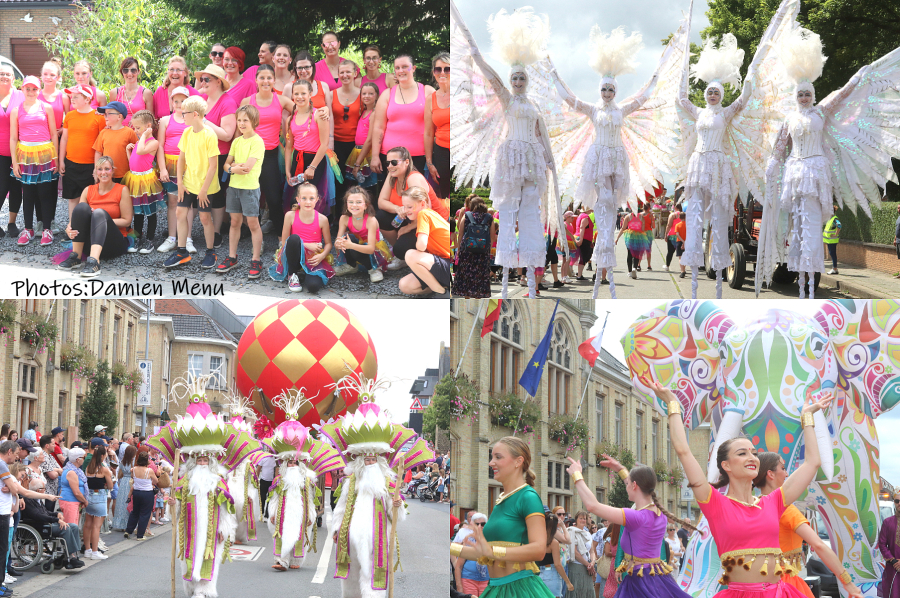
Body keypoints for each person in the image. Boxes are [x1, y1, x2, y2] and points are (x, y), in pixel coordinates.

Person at [657, 378, 830, 598]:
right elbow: (683, 450)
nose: (752, 457)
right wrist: (673, 405)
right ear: (726, 465)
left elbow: (812, 462)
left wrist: (807, 418)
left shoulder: (774, 501)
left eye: (754, 453)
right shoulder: (715, 503)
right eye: (742, 453)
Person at [451, 6, 563, 299]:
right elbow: (486, 70)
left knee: (529, 217)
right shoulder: (507, 100)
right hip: (512, 159)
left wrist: (550, 161)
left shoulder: (534, 106)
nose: (516, 83)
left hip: (533, 162)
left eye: (520, 79)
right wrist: (471, 44)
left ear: (527, 79)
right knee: (509, 213)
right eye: (513, 78)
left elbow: (543, 137)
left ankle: (530, 285)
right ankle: (502, 286)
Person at [565, 452, 697, 598]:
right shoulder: (659, 512)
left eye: (628, 483)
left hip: (639, 581)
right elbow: (638, 484)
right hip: (657, 577)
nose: (626, 485)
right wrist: (621, 469)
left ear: (634, 485)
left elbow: (592, 506)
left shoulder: (636, 516)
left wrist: (577, 476)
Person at [323, 400, 414, 598]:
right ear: (361, 461)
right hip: (351, 536)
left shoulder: (388, 483)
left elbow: (394, 510)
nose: (370, 463)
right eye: (367, 460)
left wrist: (397, 504)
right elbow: (340, 507)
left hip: (378, 537)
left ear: (379, 460)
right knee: (353, 575)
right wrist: (337, 528)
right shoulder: (351, 482)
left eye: (373, 460)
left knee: (373, 574)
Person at [450, 437, 554, 598]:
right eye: (492, 457)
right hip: (496, 588)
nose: (491, 463)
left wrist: (492, 552)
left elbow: (539, 550)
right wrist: (449, 547)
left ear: (518, 461)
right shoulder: (501, 499)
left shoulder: (528, 497)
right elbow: (483, 554)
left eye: (498, 457)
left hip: (519, 589)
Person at [753, 452, 863, 598]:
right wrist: (847, 582)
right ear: (770, 474)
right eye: (783, 468)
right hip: (784, 585)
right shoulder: (785, 510)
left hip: (756, 584)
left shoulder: (752, 506)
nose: (786, 474)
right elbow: (818, 545)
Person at [163, 95, 221, 269]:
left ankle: (211, 253)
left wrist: (203, 190)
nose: (181, 115)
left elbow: (213, 167)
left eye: (184, 113)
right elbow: (181, 158)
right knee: (180, 214)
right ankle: (182, 253)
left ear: (195, 114)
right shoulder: (187, 132)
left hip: (206, 186)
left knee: (204, 217)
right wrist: (180, 182)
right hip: (188, 183)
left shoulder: (210, 135)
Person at [57, 156, 132, 277]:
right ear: (95, 172)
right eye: (100, 169)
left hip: (114, 243)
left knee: (98, 213)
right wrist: (69, 227)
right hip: (89, 242)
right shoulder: (88, 190)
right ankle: (76, 256)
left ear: (112, 171)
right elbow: (79, 216)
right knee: (81, 208)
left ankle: (94, 262)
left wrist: (102, 220)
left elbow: (127, 221)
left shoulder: (122, 190)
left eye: (107, 169)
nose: (103, 172)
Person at [241, 65, 293, 232]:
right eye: (261, 78)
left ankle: (280, 237)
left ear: (274, 80)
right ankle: (255, 237)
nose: (265, 81)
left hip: (270, 155)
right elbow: (238, 130)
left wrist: (323, 111)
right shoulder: (247, 102)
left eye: (269, 78)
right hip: (249, 155)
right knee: (251, 199)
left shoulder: (281, 100)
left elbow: (305, 111)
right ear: (256, 80)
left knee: (273, 198)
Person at [370, 55, 435, 183]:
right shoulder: (387, 94)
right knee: (390, 195)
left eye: (405, 67)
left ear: (414, 68)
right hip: (390, 158)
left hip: (419, 157)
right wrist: (375, 156)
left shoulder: (427, 92)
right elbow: (378, 128)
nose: (401, 71)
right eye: (397, 68)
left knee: (415, 196)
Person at [217, 104, 264, 278]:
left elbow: (247, 168)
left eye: (246, 120)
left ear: (254, 121)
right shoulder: (236, 141)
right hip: (234, 188)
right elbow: (226, 164)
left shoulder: (257, 142)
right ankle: (232, 256)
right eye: (239, 120)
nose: (242, 123)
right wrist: (233, 168)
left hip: (249, 189)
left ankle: (256, 259)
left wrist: (233, 167)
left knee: (253, 224)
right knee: (234, 222)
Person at [11, 75, 58, 246]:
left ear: (39, 90)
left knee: (45, 193)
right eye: (27, 88)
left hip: (45, 153)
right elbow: (13, 138)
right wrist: (15, 162)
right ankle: (28, 229)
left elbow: (54, 134)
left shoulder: (46, 107)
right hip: (26, 155)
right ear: (22, 89)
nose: (31, 92)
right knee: (28, 194)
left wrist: (57, 159)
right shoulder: (16, 110)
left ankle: (47, 229)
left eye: (34, 89)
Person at [195, 63, 237, 250]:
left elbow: (227, 134)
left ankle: (217, 231)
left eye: (206, 79)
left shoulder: (228, 102)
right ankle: (206, 227)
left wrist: (204, 121)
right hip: (201, 153)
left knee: (217, 194)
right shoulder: (203, 99)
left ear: (218, 82)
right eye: (201, 79)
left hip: (219, 154)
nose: (202, 82)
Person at [272, 182, 334, 293]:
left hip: (313, 258)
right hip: (294, 255)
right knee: (294, 238)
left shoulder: (322, 219)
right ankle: (292, 274)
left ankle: (307, 273)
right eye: (304, 198)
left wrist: (322, 255)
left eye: (311, 198)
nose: (308, 202)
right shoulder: (290, 216)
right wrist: (306, 244)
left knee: (313, 287)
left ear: (317, 200)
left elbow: (329, 243)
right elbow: (285, 241)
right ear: (298, 199)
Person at [283, 79, 328, 220]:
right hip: (298, 160)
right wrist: (287, 170)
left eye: (303, 93)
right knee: (297, 200)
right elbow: (289, 147)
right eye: (296, 93)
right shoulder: (290, 119)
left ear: (310, 94)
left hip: (315, 160)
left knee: (311, 200)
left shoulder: (319, 115)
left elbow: (324, 144)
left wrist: (312, 167)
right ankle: (298, 232)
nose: (300, 97)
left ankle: (313, 231)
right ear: (292, 96)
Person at [60, 84, 106, 224]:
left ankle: (89, 230)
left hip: (91, 165)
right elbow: (65, 138)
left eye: (76, 97)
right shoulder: (69, 116)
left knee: (90, 199)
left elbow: (103, 143)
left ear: (87, 99)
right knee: (73, 198)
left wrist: (98, 167)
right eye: (71, 97)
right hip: (71, 163)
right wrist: (61, 160)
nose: (72, 99)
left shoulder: (98, 117)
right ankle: (73, 228)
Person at [19, 472, 83, 569]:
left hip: (45, 523)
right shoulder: (28, 500)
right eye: (44, 488)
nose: (45, 490)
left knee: (73, 526)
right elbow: (38, 516)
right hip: (39, 526)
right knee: (66, 528)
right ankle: (70, 556)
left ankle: (73, 554)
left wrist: (56, 514)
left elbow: (45, 512)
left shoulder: (38, 500)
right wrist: (57, 520)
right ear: (38, 490)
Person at [398, 186, 451, 298]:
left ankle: (441, 293)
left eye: (409, 207)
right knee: (405, 285)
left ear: (422, 204)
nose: (406, 210)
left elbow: (421, 247)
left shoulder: (424, 214)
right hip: (446, 265)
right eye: (404, 206)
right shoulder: (431, 214)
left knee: (410, 255)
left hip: (449, 265)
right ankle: (444, 287)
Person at [122, 109, 163, 253]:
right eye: (134, 127)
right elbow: (133, 163)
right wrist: (128, 152)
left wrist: (145, 135)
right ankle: (137, 238)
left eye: (138, 128)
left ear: (148, 126)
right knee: (138, 212)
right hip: (135, 178)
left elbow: (140, 152)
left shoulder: (153, 142)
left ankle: (150, 240)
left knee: (150, 211)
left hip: (147, 181)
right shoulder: (139, 142)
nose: (136, 130)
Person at [156, 87, 190, 253]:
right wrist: (162, 168)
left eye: (182, 100)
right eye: (175, 100)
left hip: (188, 165)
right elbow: (160, 146)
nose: (179, 104)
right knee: (172, 201)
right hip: (170, 164)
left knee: (187, 202)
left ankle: (188, 238)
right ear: (171, 102)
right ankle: (172, 237)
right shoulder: (165, 120)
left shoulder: (192, 120)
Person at [333, 185, 390, 282]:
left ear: (366, 205)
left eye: (358, 202)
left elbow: (371, 249)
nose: (354, 205)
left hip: (373, 250)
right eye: (351, 202)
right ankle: (351, 265)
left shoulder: (371, 220)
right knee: (346, 238)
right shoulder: (344, 218)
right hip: (356, 246)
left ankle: (374, 269)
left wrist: (351, 245)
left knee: (353, 247)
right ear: (346, 204)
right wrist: (339, 243)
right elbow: (337, 242)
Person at [331, 59, 361, 211]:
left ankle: (355, 215)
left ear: (355, 73)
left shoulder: (363, 94)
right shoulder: (331, 95)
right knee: (338, 180)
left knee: (355, 181)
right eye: (341, 72)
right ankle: (338, 216)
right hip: (336, 144)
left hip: (356, 146)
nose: (345, 75)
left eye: (348, 71)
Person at [454, 196, 494, 298]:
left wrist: (458, 249)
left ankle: (466, 295)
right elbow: (492, 236)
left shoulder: (467, 215)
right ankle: (478, 295)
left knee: (466, 272)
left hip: (467, 249)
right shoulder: (489, 218)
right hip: (483, 251)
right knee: (480, 273)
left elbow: (461, 233)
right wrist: (487, 249)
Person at [0, 64, 22, 238]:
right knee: (1, 187)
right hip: (0, 152)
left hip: (19, 151)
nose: (4, 76)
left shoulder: (21, 96)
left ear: (14, 78)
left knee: (16, 187)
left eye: (8, 74)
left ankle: (12, 223)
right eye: (1, 74)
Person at [424, 52, 450, 200]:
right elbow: (428, 133)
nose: (442, 73)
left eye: (447, 69)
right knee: (444, 195)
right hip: (441, 153)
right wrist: (429, 162)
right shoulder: (430, 99)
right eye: (438, 69)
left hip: (460, 153)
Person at [93, 100, 137, 183]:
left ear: (119, 117)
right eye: (104, 114)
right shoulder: (103, 132)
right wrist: (96, 170)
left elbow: (136, 152)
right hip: (106, 175)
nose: (105, 116)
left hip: (125, 175)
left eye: (108, 114)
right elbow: (98, 152)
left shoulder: (129, 132)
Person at [346, 81, 379, 189]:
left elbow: (369, 140)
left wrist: (357, 163)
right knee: (359, 186)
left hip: (367, 153)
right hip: (357, 150)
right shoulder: (364, 111)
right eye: (364, 94)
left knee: (368, 187)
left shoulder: (374, 113)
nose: (367, 96)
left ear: (377, 95)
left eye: (371, 93)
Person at [83, 445, 112, 560]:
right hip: (99, 497)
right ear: (103, 455)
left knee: (87, 524)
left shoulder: (88, 467)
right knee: (96, 526)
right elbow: (110, 485)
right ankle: (95, 551)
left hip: (89, 496)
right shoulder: (104, 469)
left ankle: (87, 550)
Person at [124, 451, 158, 541]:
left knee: (135, 512)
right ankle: (140, 535)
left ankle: (128, 530)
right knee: (145, 514)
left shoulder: (134, 469)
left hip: (136, 492)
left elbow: (132, 477)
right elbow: (156, 481)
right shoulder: (149, 471)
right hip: (147, 493)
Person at [455, 513, 491, 596]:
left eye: (482, 524)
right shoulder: (468, 541)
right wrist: (459, 586)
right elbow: (458, 566)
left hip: (487, 581)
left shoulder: (491, 541)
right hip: (468, 580)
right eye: (476, 524)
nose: (479, 527)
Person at [113, 57, 153, 126]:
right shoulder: (115, 92)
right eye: (125, 70)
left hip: (139, 134)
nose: (129, 74)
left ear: (138, 72)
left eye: (133, 70)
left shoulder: (146, 93)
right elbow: (111, 116)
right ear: (122, 72)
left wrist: (138, 121)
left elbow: (151, 120)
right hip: (119, 134)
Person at [568, 510, 597, 598]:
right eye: (580, 518)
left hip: (588, 568)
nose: (583, 520)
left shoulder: (588, 533)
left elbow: (592, 551)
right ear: (576, 520)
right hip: (576, 567)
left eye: (584, 518)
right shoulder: (571, 531)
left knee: (588, 591)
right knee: (577, 591)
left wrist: (592, 563)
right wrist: (587, 564)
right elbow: (575, 552)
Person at [878, 490, 900, 598]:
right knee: (893, 593)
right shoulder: (887, 522)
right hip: (893, 568)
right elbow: (882, 544)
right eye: (897, 501)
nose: (899, 503)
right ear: (894, 503)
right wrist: (894, 560)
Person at [38, 60, 69, 137]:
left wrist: (61, 130)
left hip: (57, 137)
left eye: (52, 75)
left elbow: (69, 119)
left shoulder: (63, 98)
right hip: (39, 137)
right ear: (41, 75)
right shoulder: (36, 96)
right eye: (45, 74)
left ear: (58, 77)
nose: (48, 77)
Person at [615, 209, 648, 280]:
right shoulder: (641, 217)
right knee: (636, 254)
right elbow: (642, 229)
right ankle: (634, 268)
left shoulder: (628, 217)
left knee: (629, 254)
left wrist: (617, 238)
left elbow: (623, 228)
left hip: (629, 236)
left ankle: (630, 271)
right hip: (639, 236)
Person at [59, 447, 87, 525]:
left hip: (72, 501)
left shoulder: (74, 470)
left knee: (74, 525)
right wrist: (85, 501)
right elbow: (76, 492)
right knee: (71, 526)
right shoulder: (71, 472)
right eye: (84, 457)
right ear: (78, 459)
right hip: (70, 501)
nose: (84, 459)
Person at [111, 444, 136, 531]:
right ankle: (128, 524)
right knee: (130, 502)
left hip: (123, 482)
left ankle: (121, 524)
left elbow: (119, 474)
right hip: (131, 482)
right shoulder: (134, 462)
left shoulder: (122, 462)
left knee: (122, 503)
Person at [664, 206, 687, 278]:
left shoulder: (673, 215)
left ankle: (667, 266)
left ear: (675, 208)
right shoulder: (685, 215)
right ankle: (683, 269)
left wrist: (665, 234)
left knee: (670, 252)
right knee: (682, 254)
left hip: (672, 236)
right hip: (682, 237)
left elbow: (668, 225)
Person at [823, 206, 841, 276]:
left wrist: (835, 234)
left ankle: (835, 269)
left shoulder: (834, 219)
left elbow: (839, 226)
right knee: (832, 254)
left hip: (832, 241)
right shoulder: (830, 219)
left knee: (833, 254)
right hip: (829, 241)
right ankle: (834, 269)